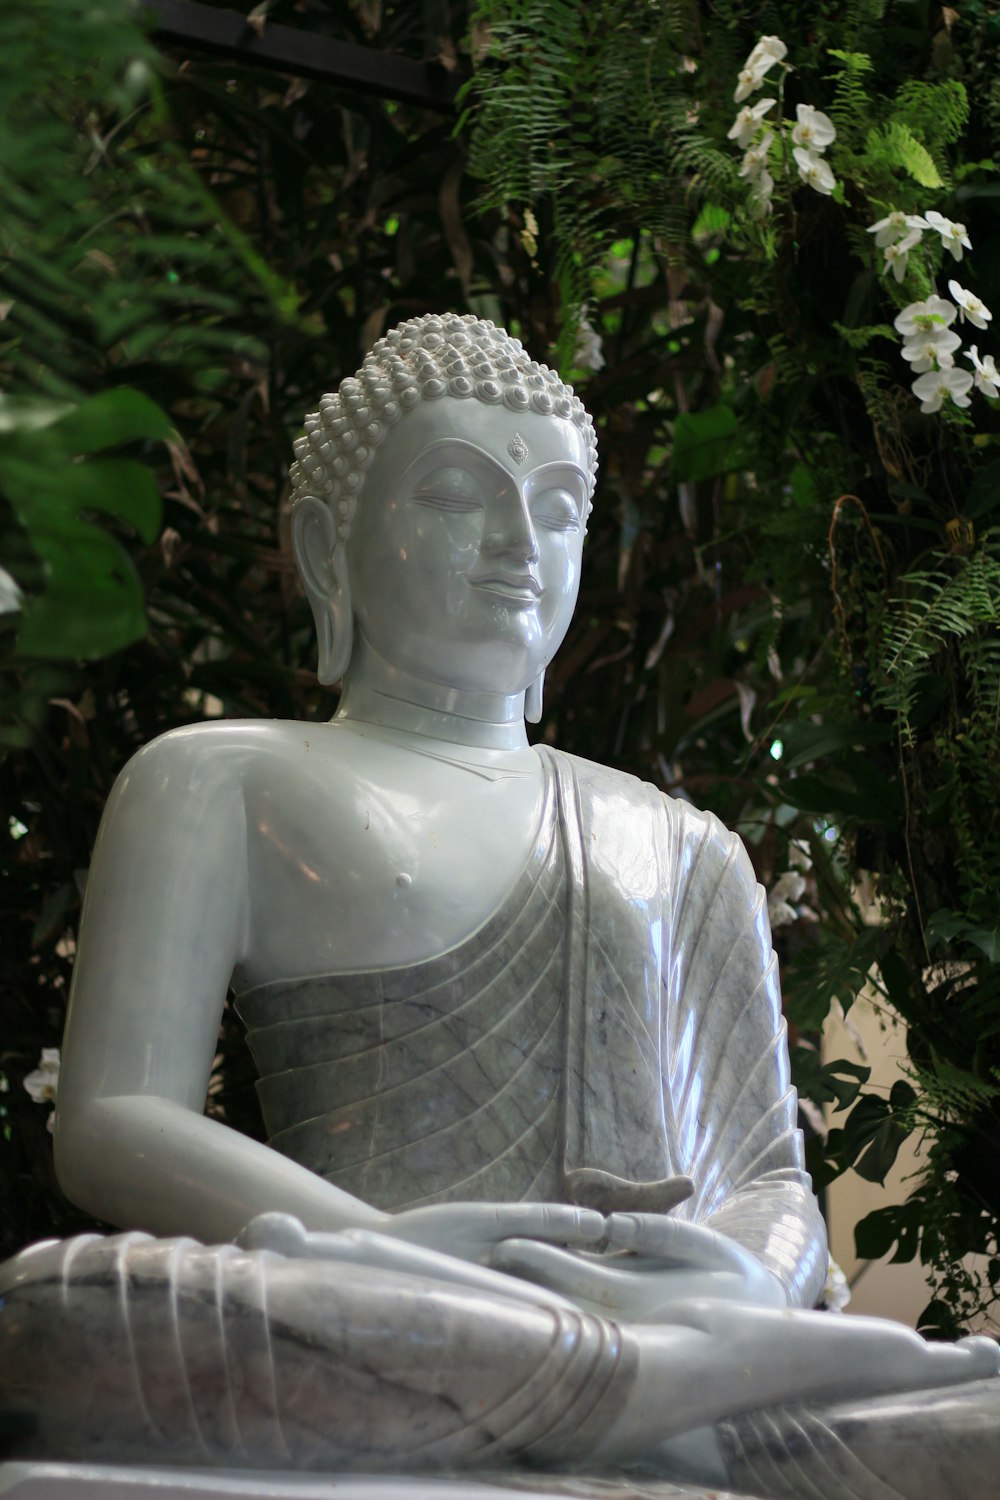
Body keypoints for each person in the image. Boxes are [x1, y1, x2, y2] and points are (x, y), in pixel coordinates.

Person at [1, 315, 997, 1497]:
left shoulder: (682, 845)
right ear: (331, 547)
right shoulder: (216, 777)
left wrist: (732, 1285)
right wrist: (389, 1251)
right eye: (456, 493)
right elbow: (110, 1118)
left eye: (563, 505)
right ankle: (650, 1405)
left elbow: (769, 1181)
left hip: (670, 1329)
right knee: (60, 1314)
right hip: (385, 1301)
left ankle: (653, 1386)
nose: (520, 542)